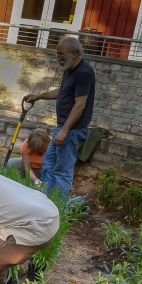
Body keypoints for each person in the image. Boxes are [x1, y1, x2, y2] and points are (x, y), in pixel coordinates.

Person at [31, 36, 95, 197]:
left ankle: (59, 206)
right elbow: (62, 91)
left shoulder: (83, 73)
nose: (58, 58)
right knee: (48, 163)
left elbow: (80, 105)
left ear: (74, 53)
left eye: (61, 54)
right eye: (57, 54)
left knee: (62, 170)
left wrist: (64, 131)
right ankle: (45, 199)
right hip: (63, 128)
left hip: (71, 131)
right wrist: (39, 96)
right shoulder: (70, 69)